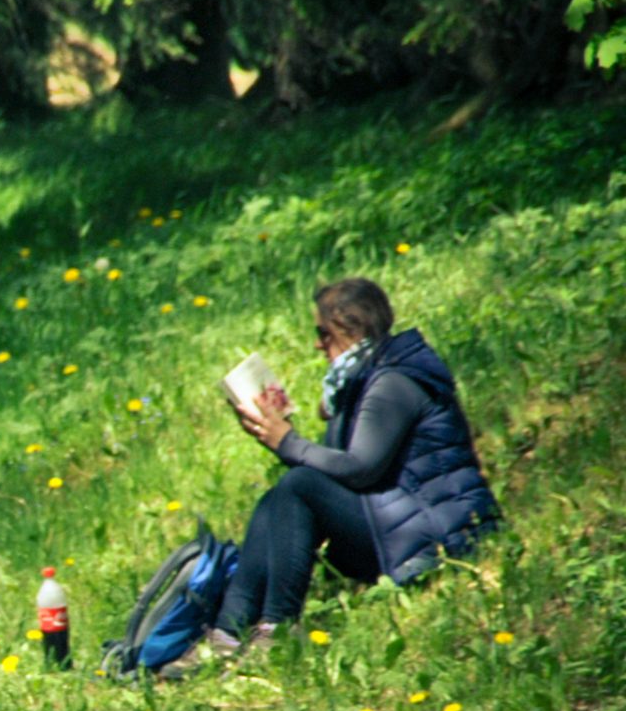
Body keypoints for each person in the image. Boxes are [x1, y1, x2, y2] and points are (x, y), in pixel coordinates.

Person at [165, 276, 501, 675]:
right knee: (277, 498)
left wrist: (287, 442)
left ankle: (278, 630)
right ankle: (227, 633)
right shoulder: (364, 379)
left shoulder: (395, 381)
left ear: (351, 329)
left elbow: (360, 469)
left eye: (323, 333)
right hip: (395, 522)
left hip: (437, 536)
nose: (317, 345)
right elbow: (342, 473)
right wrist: (278, 434)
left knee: (298, 486)